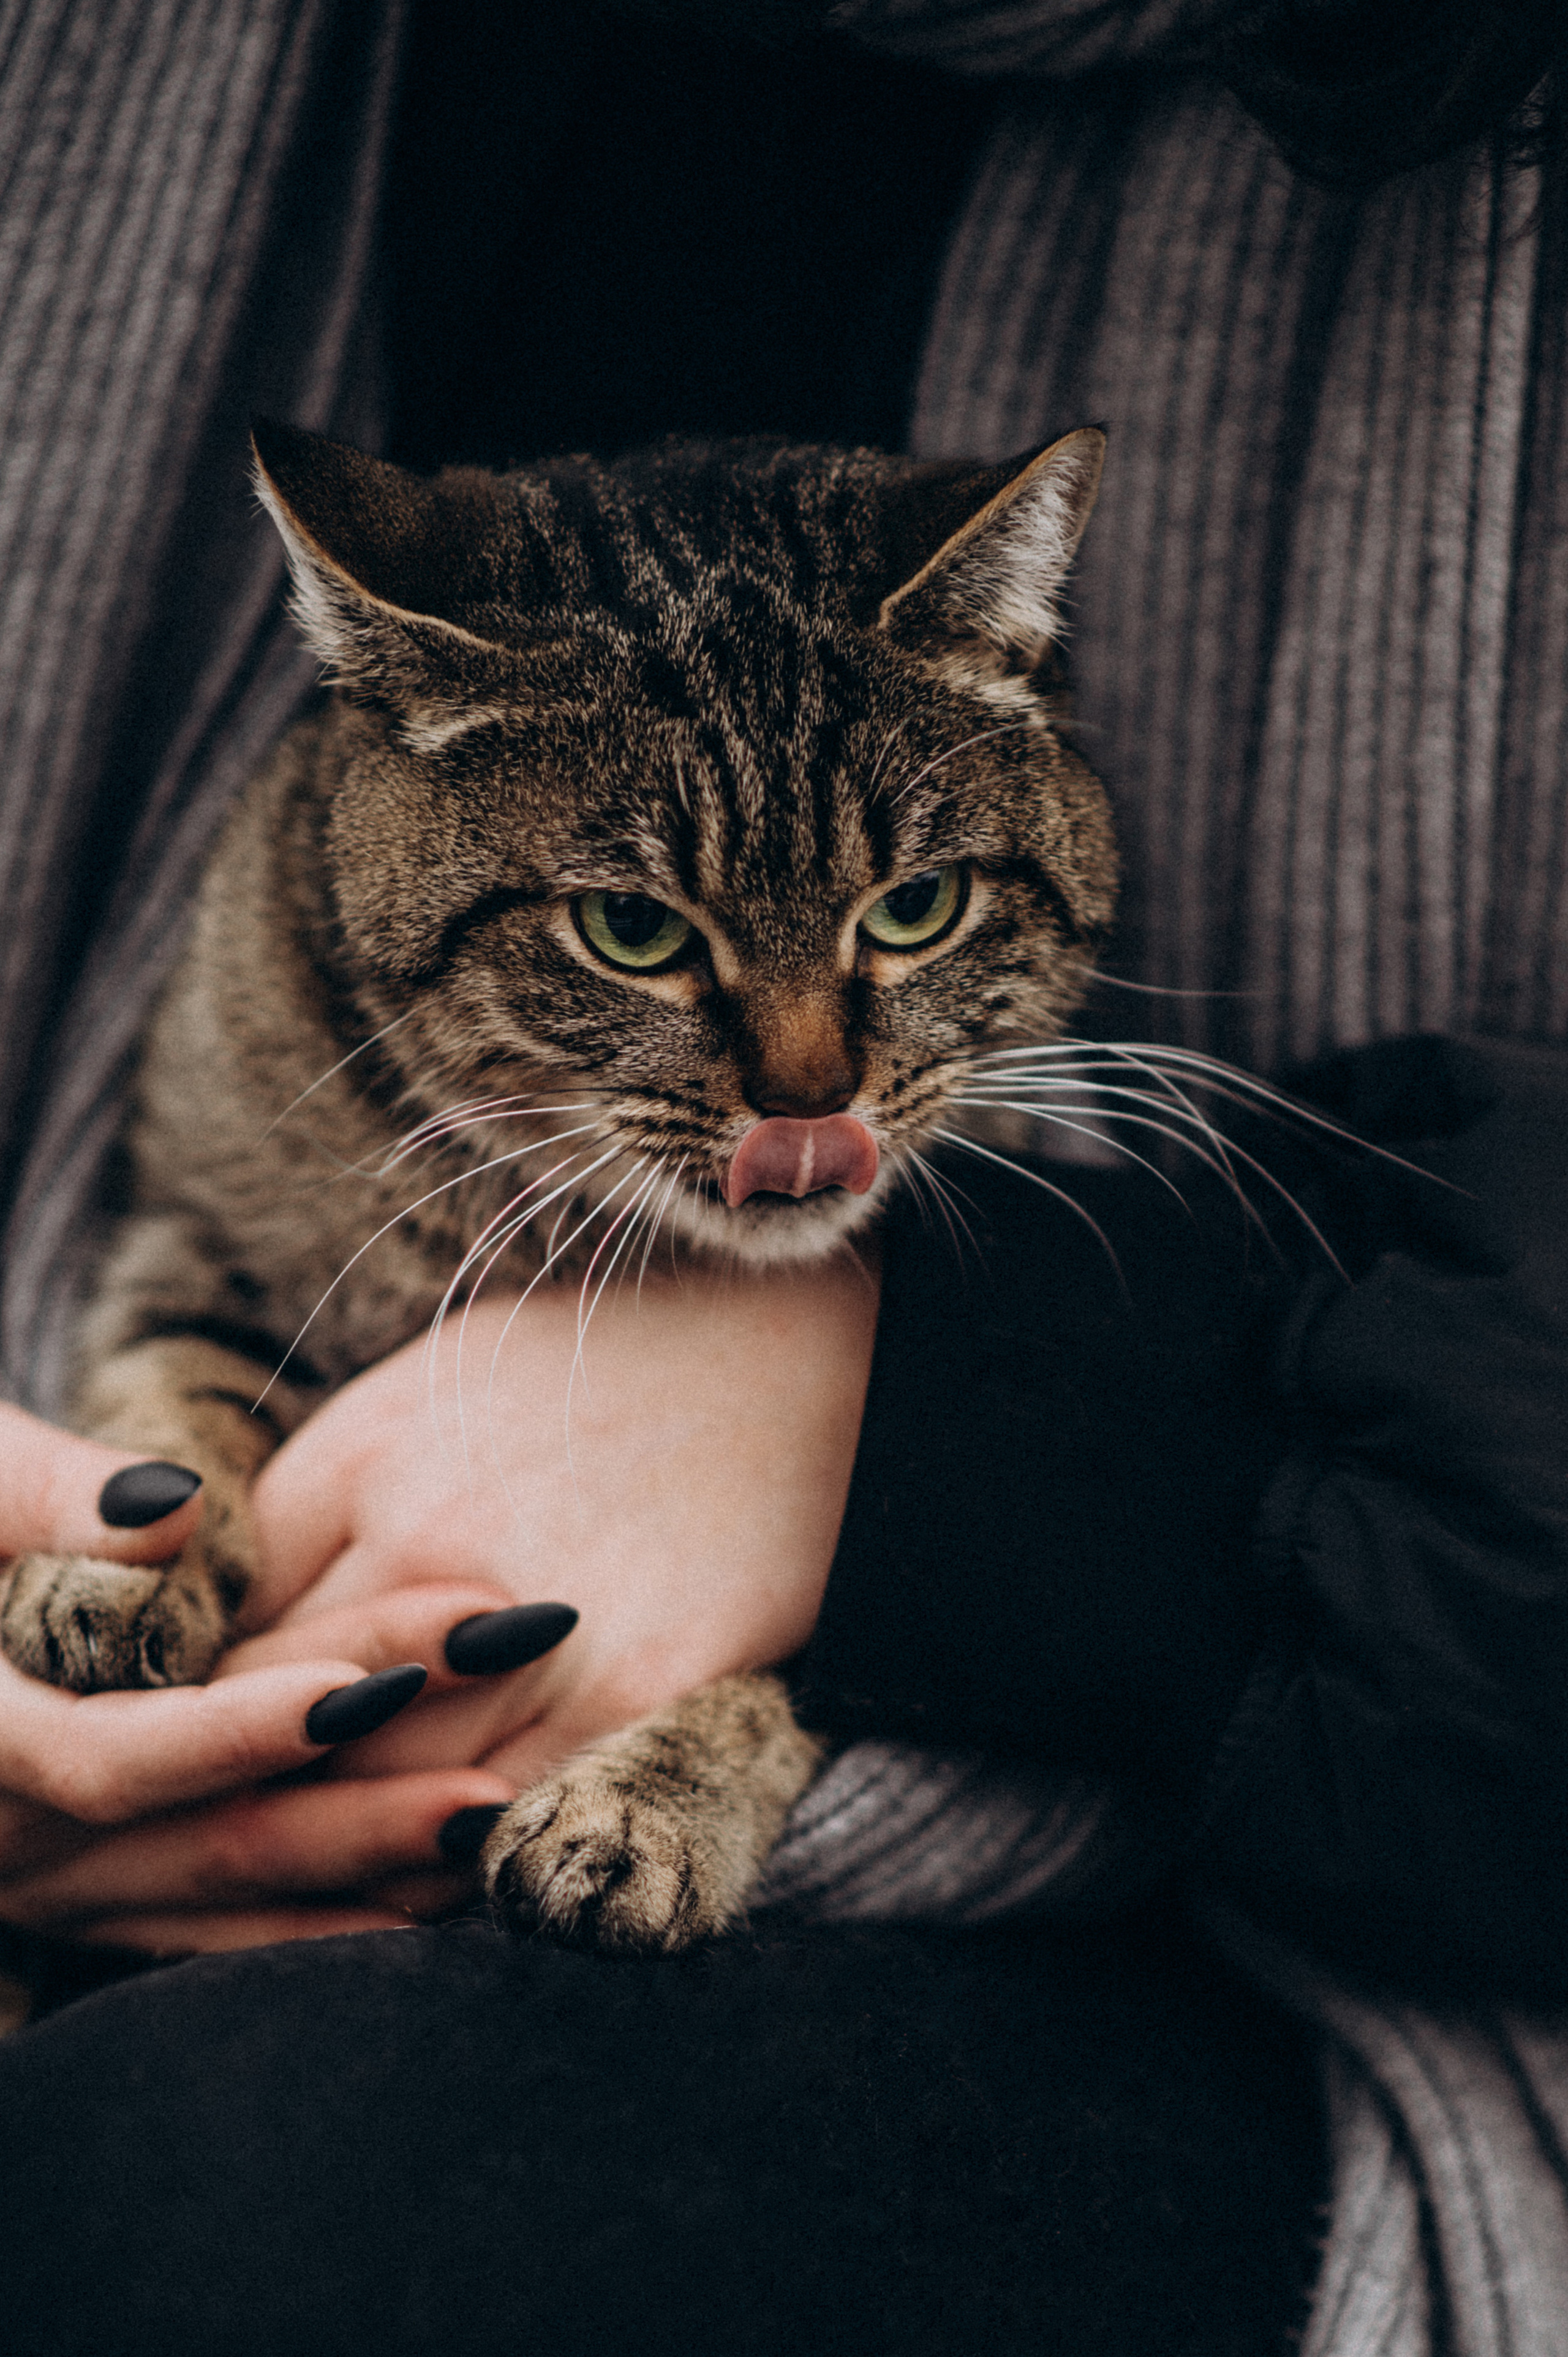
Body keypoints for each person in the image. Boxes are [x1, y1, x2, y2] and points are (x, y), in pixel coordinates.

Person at [0, 4, 1566, 2353]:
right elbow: (190, 1281)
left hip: (1315, 1883)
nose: (813, 1077)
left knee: (300, 2201)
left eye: (912, 921)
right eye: (641, 936)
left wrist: (955, 1437)